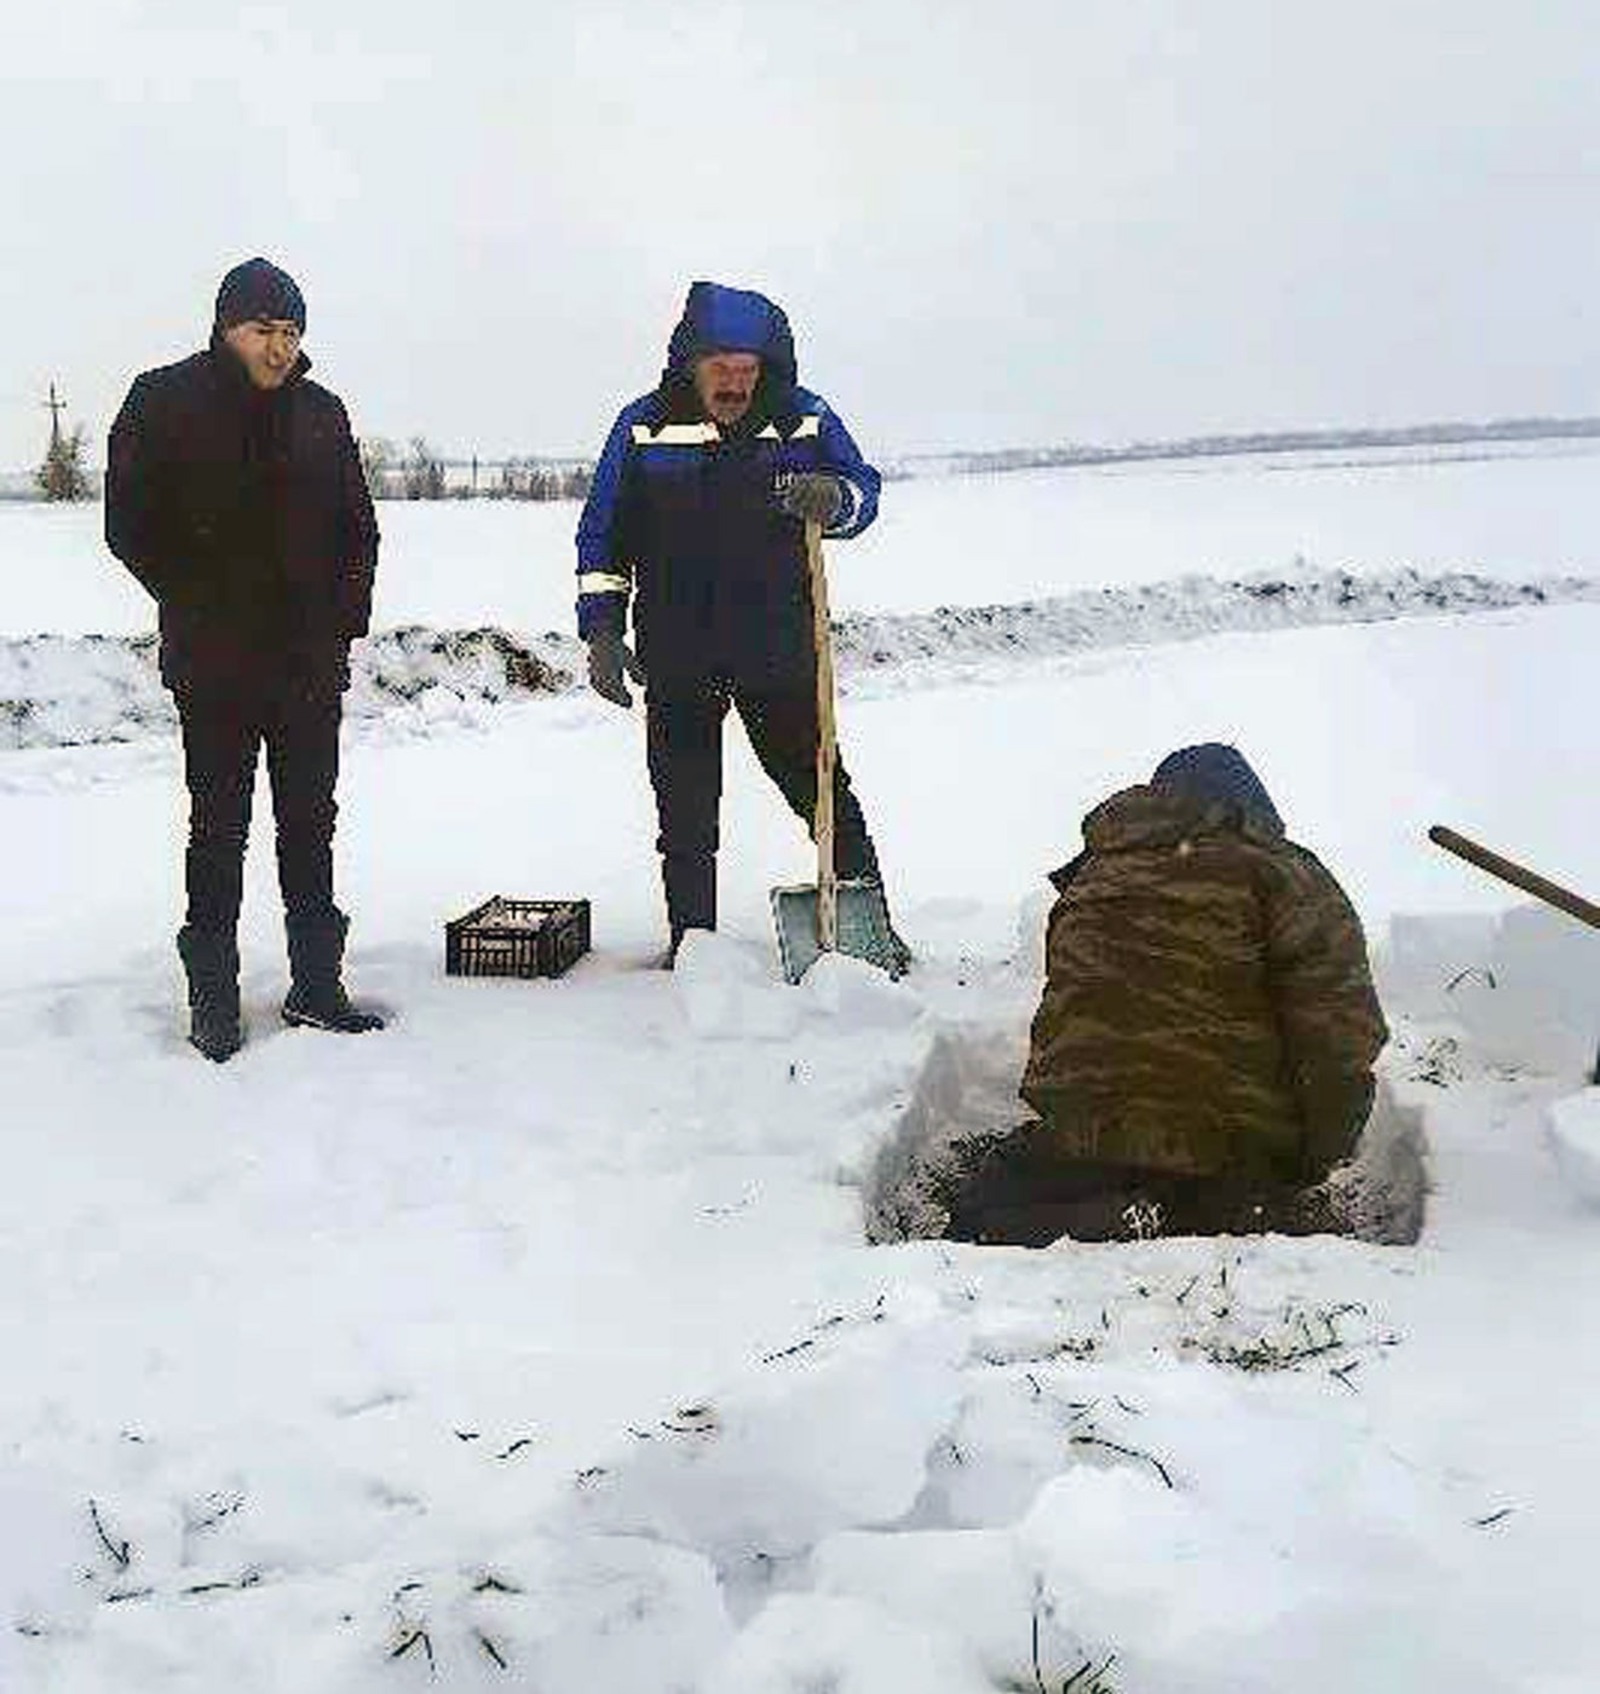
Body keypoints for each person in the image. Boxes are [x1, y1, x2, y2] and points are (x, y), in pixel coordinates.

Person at [574, 280, 907, 966]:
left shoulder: (803, 420)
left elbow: (863, 491)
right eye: (720, 368)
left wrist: (836, 498)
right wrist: (601, 630)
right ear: (690, 366)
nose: (734, 383)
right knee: (685, 812)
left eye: (747, 370)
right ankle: (692, 945)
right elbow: (602, 533)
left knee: (821, 792)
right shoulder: (644, 426)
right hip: (677, 648)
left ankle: (870, 927)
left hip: (779, 646)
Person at [105, 256, 384, 1061]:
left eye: (291, 333)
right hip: (215, 662)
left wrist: (342, 623)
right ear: (227, 327)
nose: (278, 347)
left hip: (306, 663)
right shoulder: (163, 401)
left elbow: (359, 529)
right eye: (264, 329)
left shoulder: (322, 414)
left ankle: (317, 985)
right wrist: (197, 598)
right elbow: (129, 523)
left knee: (310, 823)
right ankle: (214, 999)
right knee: (217, 828)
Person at [941, 744, 1388, 1245]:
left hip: (1082, 1139)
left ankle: (1111, 1214)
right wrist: (1313, 1161)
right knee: (1239, 1204)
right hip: (1229, 1150)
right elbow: (1341, 1039)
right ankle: (1189, 1213)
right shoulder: (1287, 876)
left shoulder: (1092, 876)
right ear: (1251, 806)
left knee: (980, 1213)